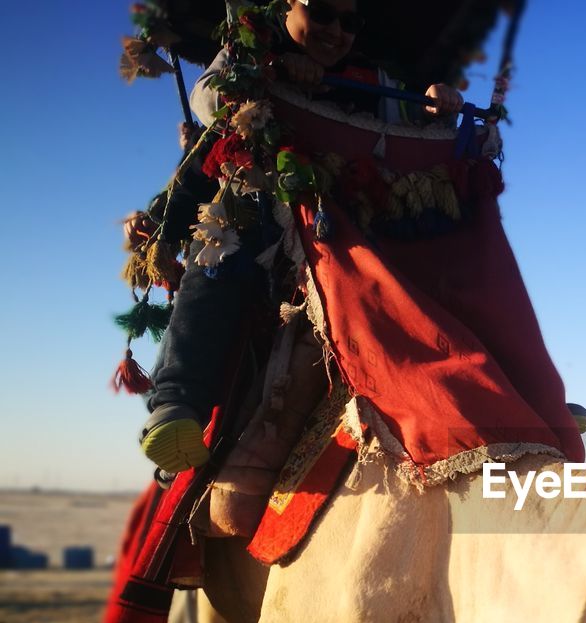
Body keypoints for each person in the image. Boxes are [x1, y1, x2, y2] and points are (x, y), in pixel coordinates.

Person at [139, 0, 463, 474]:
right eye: (324, 14)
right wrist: (269, 70)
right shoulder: (248, 53)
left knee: (442, 262)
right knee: (223, 255)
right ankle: (176, 404)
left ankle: (509, 395)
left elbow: (406, 131)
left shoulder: (377, 81)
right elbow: (209, 98)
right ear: (287, 6)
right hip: (267, 219)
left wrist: (438, 109)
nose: (336, 31)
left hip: (352, 229)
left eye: (350, 22)